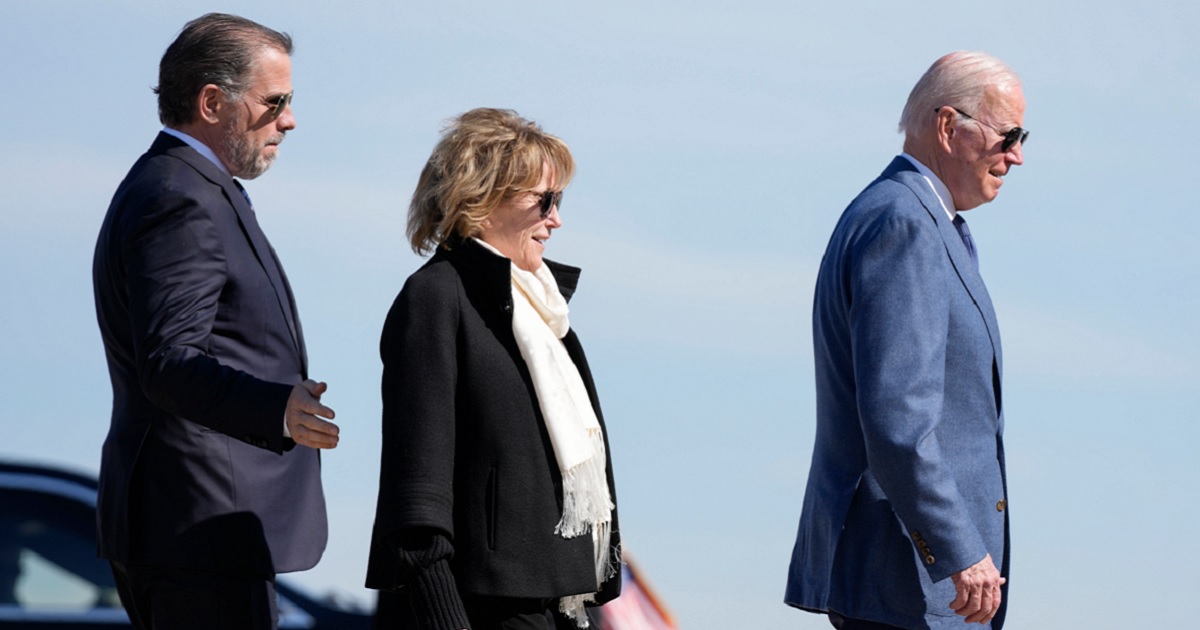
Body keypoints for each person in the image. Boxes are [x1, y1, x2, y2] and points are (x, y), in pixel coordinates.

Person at [91, 13, 339, 629]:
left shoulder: (187, 187)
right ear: (211, 101)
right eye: (274, 102)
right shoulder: (180, 195)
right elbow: (170, 361)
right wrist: (276, 408)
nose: (289, 119)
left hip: (199, 532)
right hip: (198, 532)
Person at [785, 51, 1027, 629]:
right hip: (908, 581)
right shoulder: (905, 222)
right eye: (1007, 135)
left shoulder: (917, 219)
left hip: (909, 581)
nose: (1016, 155)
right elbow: (899, 419)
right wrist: (958, 549)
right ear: (948, 126)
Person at [365, 108, 621, 630]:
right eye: (544, 200)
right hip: (477, 609)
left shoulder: (544, 314)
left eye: (559, 200)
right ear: (478, 199)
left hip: (555, 604)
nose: (556, 219)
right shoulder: (435, 298)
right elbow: (417, 492)